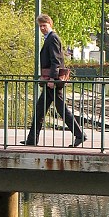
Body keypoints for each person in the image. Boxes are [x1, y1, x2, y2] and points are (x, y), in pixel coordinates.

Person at [21, 14, 85, 148]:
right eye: (40, 26)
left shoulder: (53, 38)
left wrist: (52, 79)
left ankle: (80, 135)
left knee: (61, 109)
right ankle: (32, 139)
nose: (42, 28)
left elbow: (56, 60)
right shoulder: (49, 38)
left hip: (53, 82)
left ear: (50, 24)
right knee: (40, 109)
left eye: (44, 25)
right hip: (50, 81)